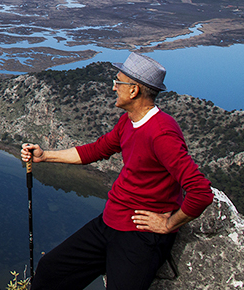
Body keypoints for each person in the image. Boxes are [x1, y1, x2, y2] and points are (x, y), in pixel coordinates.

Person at [21, 51, 213, 290]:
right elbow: (97, 150)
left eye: (118, 82)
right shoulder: (128, 121)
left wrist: (169, 224)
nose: (113, 87)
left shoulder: (162, 133)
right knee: (51, 269)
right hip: (109, 223)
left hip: (139, 236)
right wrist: (45, 156)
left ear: (134, 90)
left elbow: (201, 192)